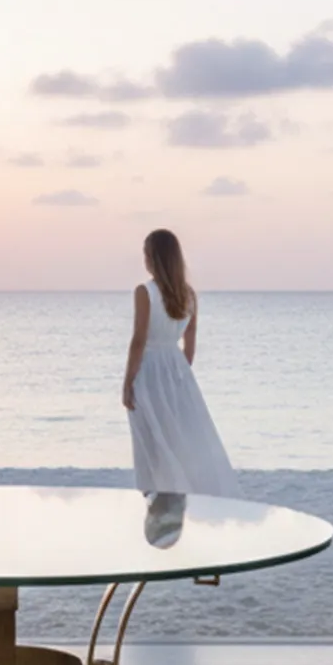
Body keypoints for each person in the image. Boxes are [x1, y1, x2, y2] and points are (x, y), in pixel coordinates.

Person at [122, 230, 243, 540]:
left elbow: (138, 340)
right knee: (179, 435)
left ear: (155, 258)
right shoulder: (188, 294)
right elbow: (190, 346)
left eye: (147, 253)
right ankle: (177, 499)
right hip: (176, 371)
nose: (144, 259)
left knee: (150, 435)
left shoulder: (144, 291)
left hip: (149, 369)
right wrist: (178, 373)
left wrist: (128, 382)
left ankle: (159, 500)